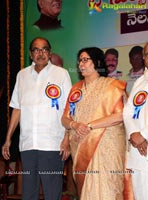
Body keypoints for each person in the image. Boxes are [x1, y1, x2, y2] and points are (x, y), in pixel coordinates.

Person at [2, 37, 72, 200]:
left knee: (52, 192)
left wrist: (67, 139)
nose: (41, 53)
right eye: (36, 49)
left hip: (52, 144)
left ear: (50, 52)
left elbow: (69, 109)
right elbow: (17, 108)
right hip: (27, 144)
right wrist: (8, 138)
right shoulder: (22, 75)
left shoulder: (61, 74)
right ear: (30, 54)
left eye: (44, 49)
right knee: (28, 192)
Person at [61, 47, 127, 199]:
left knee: (108, 190)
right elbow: (65, 118)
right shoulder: (75, 89)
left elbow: (121, 115)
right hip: (80, 145)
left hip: (107, 146)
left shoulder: (112, 86)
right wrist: (74, 126)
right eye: (79, 61)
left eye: (85, 60)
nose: (81, 64)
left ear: (97, 62)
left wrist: (90, 126)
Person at [123, 42, 148, 199]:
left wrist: (144, 135)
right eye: (146, 54)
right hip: (139, 152)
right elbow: (127, 111)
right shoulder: (139, 82)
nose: (147, 57)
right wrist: (133, 133)